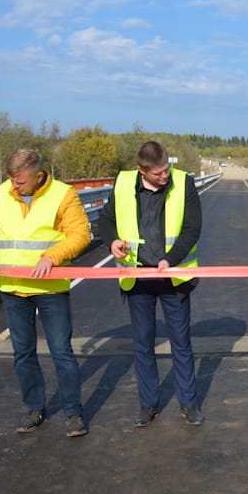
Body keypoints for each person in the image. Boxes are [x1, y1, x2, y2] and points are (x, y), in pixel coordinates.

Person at [0, 149, 90, 437]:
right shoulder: (2, 193)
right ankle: (35, 409)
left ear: (39, 175)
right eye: (11, 180)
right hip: (12, 287)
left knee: (62, 352)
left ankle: (73, 413)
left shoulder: (63, 195)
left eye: (20, 182)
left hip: (49, 287)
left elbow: (80, 234)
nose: (14, 186)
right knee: (23, 354)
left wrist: (52, 256)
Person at [97, 141, 204, 427]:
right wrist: (112, 241)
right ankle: (148, 404)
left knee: (181, 342)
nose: (165, 176)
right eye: (158, 173)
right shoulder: (122, 185)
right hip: (137, 277)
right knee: (143, 343)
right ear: (141, 170)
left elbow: (193, 227)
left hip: (174, 276)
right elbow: (105, 221)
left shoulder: (184, 183)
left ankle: (189, 403)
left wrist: (170, 259)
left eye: (166, 170)